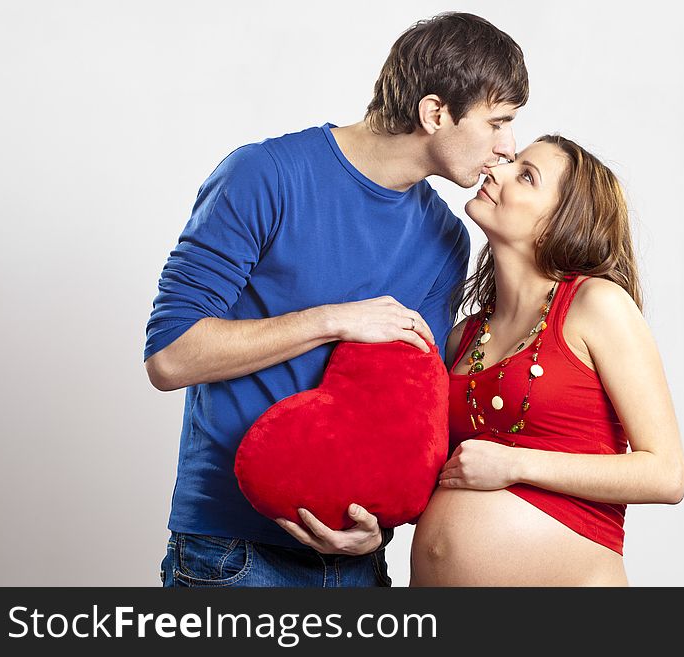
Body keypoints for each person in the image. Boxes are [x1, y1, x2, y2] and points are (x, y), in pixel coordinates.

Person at [144, 12, 528, 587]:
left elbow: (405, 407)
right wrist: (333, 321)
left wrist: (380, 527)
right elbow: (170, 356)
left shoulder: (447, 239)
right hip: (233, 550)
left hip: (356, 557)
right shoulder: (264, 175)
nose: (508, 146)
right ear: (434, 113)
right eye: (498, 122)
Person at [410, 135, 684, 586]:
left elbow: (666, 473)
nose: (495, 170)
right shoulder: (463, 337)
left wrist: (516, 465)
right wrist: (374, 525)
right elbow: (439, 470)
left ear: (560, 223)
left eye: (526, 175)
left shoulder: (597, 306)